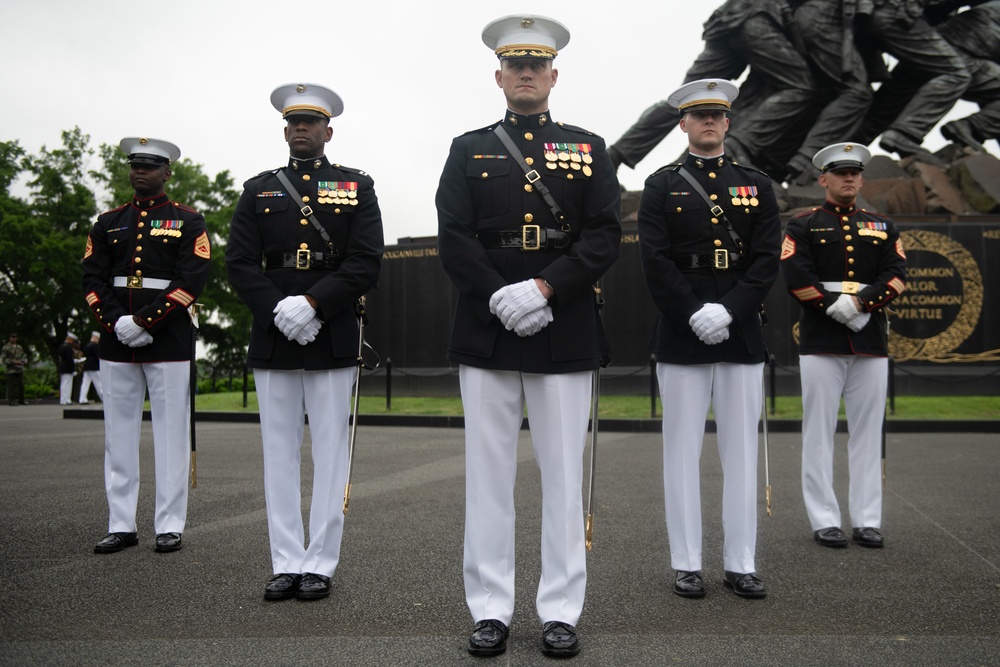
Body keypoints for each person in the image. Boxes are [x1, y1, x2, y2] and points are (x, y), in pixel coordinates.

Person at [436, 15, 621, 658]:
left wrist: (544, 290)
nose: (525, 73)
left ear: (553, 75)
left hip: (562, 320)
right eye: (514, 64)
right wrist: (497, 295)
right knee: (487, 479)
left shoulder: (588, 147)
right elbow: (454, 236)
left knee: (563, 478)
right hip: (487, 323)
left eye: (535, 64)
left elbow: (603, 236)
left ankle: (561, 609)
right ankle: (490, 609)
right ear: (498, 75)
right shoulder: (468, 148)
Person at [226, 83, 383, 603]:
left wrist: (313, 304)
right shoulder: (258, 189)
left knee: (332, 452)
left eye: (311, 122)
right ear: (285, 129)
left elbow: (364, 262)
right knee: (279, 453)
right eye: (294, 122)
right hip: (274, 332)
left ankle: (320, 562)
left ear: (327, 131)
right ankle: (286, 560)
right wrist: (279, 309)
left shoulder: (356, 186)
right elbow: (240, 265)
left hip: (332, 328)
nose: (301, 129)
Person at [636, 79, 781, 600]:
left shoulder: (756, 184)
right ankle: (687, 562)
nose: (709, 123)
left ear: (728, 122)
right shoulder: (661, 184)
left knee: (742, 452)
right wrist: (693, 312)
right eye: (699, 116)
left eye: (717, 116)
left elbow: (766, 259)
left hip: (739, 327)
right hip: (681, 328)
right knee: (681, 451)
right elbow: (653, 260)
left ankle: (741, 562)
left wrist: (731, 309)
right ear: (683, 123)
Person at [82, 137, 211, 555]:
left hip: (168, 339)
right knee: (118, 437)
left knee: (171, 436)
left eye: (151, 166)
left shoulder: (188, 221)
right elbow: (92, 280)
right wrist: (118, 322)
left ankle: (169, 524)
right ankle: (121, 524)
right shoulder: (107, 222)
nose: (141, 172)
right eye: (135, 165)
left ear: (167, 172)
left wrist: (145, 321)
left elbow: (190, 280)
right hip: (118, 340)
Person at [780, 143, 907, 549]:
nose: (849, 178)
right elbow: (796, 273)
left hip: (869, 335)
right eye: (840, 173)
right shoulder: (803, 224)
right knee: (818, 431)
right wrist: (834, 308)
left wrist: (860, 304)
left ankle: (868, 519)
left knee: (868, 433)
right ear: (824, 179)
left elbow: (896, 274)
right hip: (821, 336)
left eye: (855, 172)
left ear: (862, 178)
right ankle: (824, 519)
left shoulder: (883, 225)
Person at [2, 333, 27, 406]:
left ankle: (21, 400)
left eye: (15, 337)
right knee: (11, 386)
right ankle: (11, 401)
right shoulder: (6, 347)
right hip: (11, 369)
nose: (14, 339)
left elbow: (23, 355)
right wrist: (13, 362)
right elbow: (4, 358)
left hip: (19, 369)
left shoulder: (19, 347)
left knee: (21, 385)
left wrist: (23, 361)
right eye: (12, 337)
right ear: (10, 338)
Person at [79, 331, 103, 403]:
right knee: (99, 383)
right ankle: (103, 397)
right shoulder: (95, 346)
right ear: (96, 338)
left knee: (85, 383)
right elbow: (97, 356)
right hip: (94, 366)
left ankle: (82, 399)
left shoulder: (87, 345)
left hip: (87, 366)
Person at [57, 332, 79, 405]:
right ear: (70, 340)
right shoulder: (69, 347)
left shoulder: (61, 346)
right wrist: (73, 369)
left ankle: (63, 399)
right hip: (67, 368)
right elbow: (69, 359)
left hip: (61, 367)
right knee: (68, 384)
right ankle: (67, 399)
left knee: (63, 384)